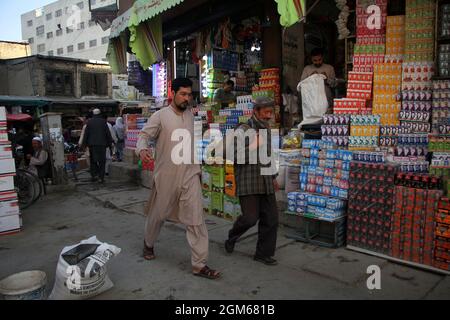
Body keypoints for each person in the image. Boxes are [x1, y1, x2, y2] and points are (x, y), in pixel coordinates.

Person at [136, 77, 221, 280]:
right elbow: (143, 136)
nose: (186, 98)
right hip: (167, 175)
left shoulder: (191, 115)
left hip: (190, 173)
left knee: (196, 219)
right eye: (183, 94)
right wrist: (142, 149)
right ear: (172, 94)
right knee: (158, 214)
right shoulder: (160, 116)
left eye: (189, 94)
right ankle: (148, 243)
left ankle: (199, 265)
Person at [224, 97, 280, 266]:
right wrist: (254, 145)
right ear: (256, 111)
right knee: (250, 218)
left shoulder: (266, 129)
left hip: (266, 181)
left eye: (271, 113)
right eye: (266, 112)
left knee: (271, 219)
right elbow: (231, 155)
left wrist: (273, 177)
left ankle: (263, 254)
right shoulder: (243, 128)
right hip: (248, 182)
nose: (269, 116)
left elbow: (268, 155)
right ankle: (232, 236)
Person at [82, 108, 113, 183]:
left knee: (93, 161)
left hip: (92, 145)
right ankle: (101, 177)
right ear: (99, 114)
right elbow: (108, 134)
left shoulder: (89, 122)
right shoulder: (103, 122)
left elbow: (86, 134)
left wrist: (84, 145)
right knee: (102, 161)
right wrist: (110, 144)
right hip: (102, 145)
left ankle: (94, 175)